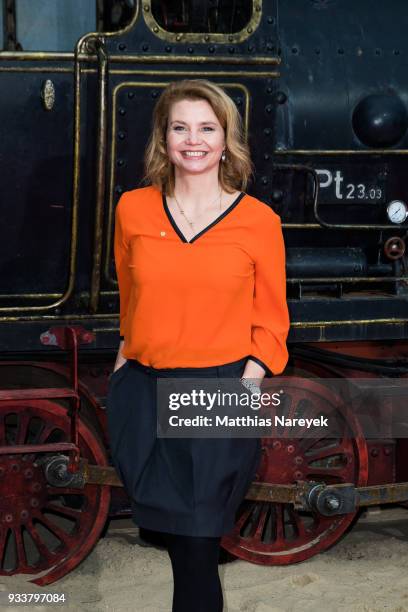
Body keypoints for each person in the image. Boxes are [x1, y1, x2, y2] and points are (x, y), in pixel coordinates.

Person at [106, 79, 290, 612]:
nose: (194, 140)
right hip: (140, 388)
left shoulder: (259, 221)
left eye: (207, 128)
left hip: (216, 391)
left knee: (197, 543)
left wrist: (247, 382)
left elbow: (273, 319)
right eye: (180, 128)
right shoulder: (133, 210)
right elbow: (129, 293)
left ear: (227, 139)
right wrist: (123, 367)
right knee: (171, 540)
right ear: (163, 140)